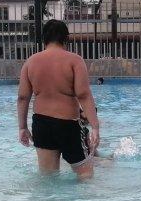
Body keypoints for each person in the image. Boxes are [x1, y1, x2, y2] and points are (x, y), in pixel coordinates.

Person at [17, 19, 101, 178]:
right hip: (68, 124)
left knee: (48, 177)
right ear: (66, 38)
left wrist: (22, 127)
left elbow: (22, 97)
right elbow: (83, 94)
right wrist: (95, 127)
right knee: (86, 175)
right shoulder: (74, 60)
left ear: (44, 38)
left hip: (41, 123)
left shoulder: (30, 62)